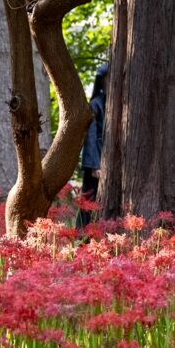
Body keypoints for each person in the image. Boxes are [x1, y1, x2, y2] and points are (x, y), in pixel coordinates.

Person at [77, 63, 108, 228]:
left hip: (111, 163)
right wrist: (95, 165)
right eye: (106, 79)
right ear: (101, 81)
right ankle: (81, 238)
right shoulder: (95, 104)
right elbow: (90, 137)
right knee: (89, 201)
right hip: (96, 165)